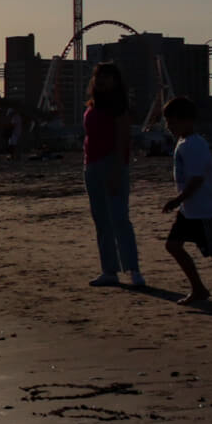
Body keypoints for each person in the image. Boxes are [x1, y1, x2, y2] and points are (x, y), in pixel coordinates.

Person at [159, 97, 212, 308]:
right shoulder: (185, 142)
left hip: (204, 211)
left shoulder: (194, 144)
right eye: (168, 122)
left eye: (173, 122)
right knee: (173, 245)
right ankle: (198, 288)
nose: (169, 126)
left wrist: (177, 200)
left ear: (187, 120)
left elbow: (198, 178)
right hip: (189, 210)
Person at [82, 62, 142, 288]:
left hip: (113, 165)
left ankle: (133, 269)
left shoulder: (119, 108)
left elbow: (122, 141)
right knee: (102, 221)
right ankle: (109, 270)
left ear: (116, 81)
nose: (102, 81)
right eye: (99, 77)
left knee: (119, 219)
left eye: (107, 77)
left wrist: (117, 171)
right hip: (91, 166)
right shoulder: (91, 107)